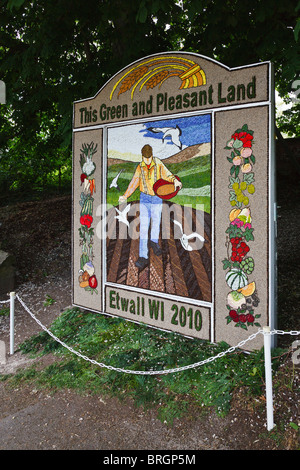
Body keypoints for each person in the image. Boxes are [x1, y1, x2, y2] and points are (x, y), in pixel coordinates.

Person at [119, 144, 182, 269]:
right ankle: (143, 256)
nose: (147, 162)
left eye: (149, 159)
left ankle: (154, 242)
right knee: (144, 226)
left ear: (152, 155)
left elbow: (167, 174)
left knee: (156, 220)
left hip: (157, 198)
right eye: (145, 159)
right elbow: (134, 182)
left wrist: (175, 181)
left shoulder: (158, 163)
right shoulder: (140, 167)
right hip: (145, 198)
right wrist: (125, 196)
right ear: (142, 156)